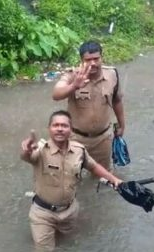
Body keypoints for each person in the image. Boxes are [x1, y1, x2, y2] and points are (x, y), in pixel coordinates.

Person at [20, 110, 123, 250]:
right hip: (43, 214)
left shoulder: (79, 150)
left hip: (69, 211)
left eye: (64, 125)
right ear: (49, 129)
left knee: (69, 247)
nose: (60, 129)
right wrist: (27, 150)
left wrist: (114, 180)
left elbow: (93, 167)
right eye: (56, 125)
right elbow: (27, 157)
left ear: (71, 129)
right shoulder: (40, 150)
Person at [52, 40, 125, 172]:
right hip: (76, 139)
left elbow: (117, 101)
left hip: (103, 139)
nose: (93, 63)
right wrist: (74, 86)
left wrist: (122, 125)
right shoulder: (73, 75)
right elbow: (56, 94)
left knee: (102, 179)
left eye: (96, 59)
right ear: (81, 60)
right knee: (72, 178)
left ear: (102, 57)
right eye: (88, 60)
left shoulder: (112, 74)